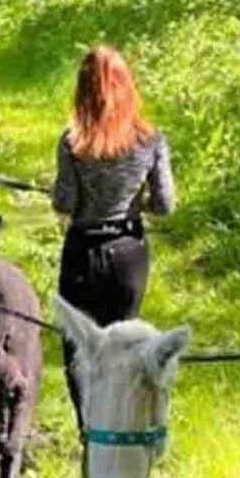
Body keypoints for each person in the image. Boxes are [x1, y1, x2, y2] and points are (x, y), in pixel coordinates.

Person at [52, 45, 175, 433]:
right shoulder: (151, 140)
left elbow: (65, 202)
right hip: (128, 255)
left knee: (77, 344)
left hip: (83, 251)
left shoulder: (72, 142)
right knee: (122, 341)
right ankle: (120, 421)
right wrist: (135, 201)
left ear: (84, 91)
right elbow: (165, 204)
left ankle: (88, 426)